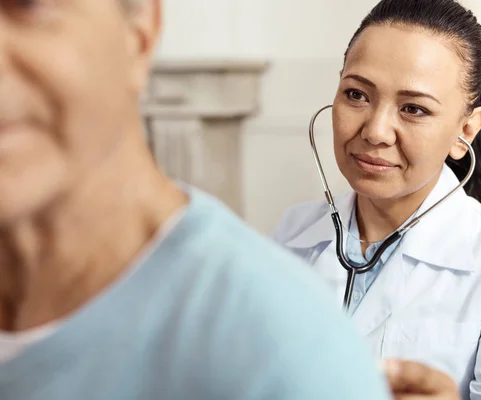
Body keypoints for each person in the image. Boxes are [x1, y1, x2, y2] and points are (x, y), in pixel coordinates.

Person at [0, 1, 400, 399]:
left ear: (139, 33)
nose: (377, 132)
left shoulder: (283, 351)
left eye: (27, 6)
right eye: (357, 95)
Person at [273, 0, 481, 398]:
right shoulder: (291, 234)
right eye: (356, 94)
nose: (376, 131)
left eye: (413, 108)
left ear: (466, 129)